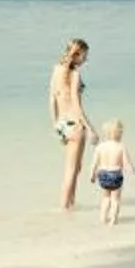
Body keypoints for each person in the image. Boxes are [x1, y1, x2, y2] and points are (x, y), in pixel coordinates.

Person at [48, 38, 92, 212]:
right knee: (72, 169)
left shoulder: (56, 70)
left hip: (62, 124)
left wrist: (55, 124)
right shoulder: (75, 75)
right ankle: (65, 207)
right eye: (85, 56)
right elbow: (76, 104)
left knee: (74, 167)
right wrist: (90, 128)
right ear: (78, 55)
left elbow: (52, 98)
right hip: (75, 124)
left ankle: (71, 204)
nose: (86, 60)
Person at [91, 119, 135, 226]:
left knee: (105, 197)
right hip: (115, 175)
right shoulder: (121, 146)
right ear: (119, 133)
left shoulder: (100, 147)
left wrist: (92, 174)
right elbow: (126, 163)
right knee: (115, 199)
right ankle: (113, 219)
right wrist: (133, 172)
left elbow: (94, 163)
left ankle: (103, 218)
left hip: (103, 175)